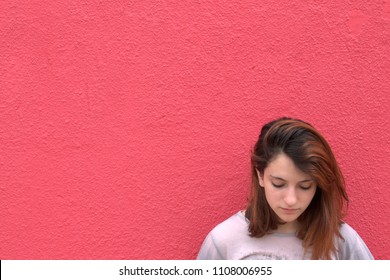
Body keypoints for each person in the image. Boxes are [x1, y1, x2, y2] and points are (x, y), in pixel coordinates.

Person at [197, 117, 373, 260]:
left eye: (305, 186)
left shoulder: (341, 240)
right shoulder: (223, 240)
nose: (291, 200)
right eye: (279, 184)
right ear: (260, 175)